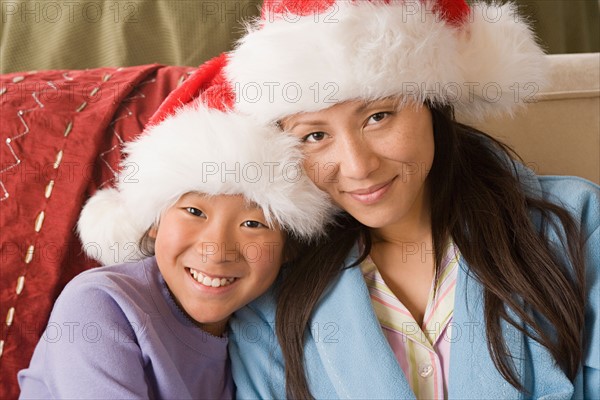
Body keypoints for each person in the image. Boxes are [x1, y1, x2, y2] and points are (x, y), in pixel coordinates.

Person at [217, 0, 597, 398]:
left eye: (378, 116)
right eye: (315, 136)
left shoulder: (578, 221)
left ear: (433, 104)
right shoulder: (272, 290)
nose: (358, 166)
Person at [16, 62, 336, 400]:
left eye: (253, 224)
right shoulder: (101, 304)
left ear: (289, 248)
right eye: (194, 211)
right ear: (155, 221)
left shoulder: (259, 333)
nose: (216, 249)